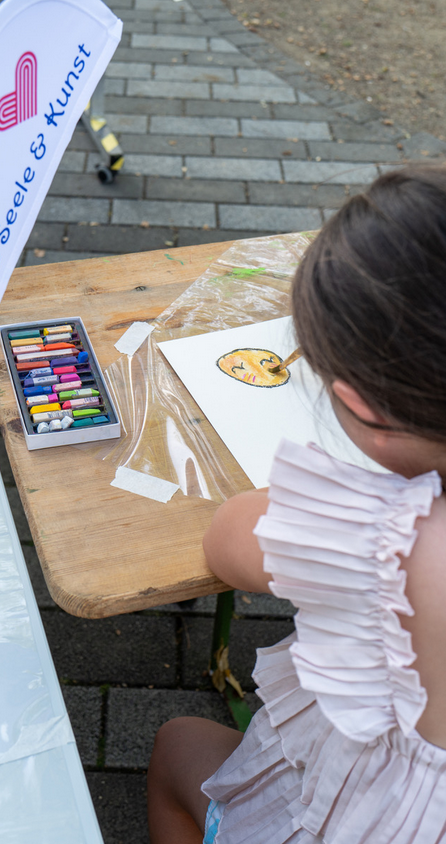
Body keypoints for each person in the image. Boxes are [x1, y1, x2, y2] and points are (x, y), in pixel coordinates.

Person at [147, 165, 446, 844]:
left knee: (176, 746)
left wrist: (336, 487)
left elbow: (226, 539)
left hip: (361, 820)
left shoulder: (383, 537)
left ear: (360, 405)